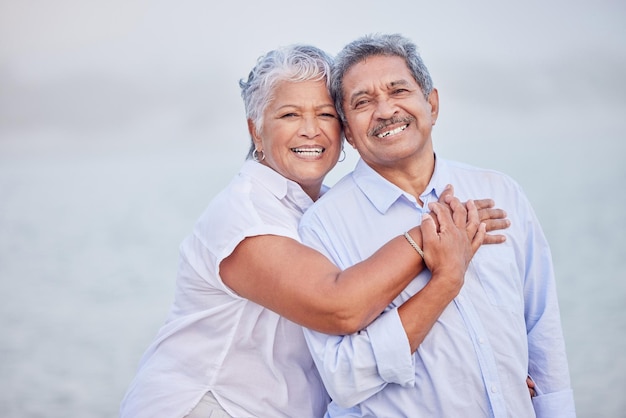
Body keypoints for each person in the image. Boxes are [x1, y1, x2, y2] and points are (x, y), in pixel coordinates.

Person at [119, 44, 507, 418]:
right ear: (256, 132)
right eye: (289, 115)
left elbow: (384, 321)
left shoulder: (328, 210)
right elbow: (340, 308)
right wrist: (436, 230)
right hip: (209, 406)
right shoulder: (245, 213)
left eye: (325, 115)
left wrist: (488, 375)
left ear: (345, 132)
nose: (310, 131)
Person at [299, 33, 576, 417]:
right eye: (363, 102)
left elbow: (542, 331)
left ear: (431, 104)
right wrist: (446, 278)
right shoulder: (321, 226)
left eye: (398, 90)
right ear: (347, 130)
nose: (385, 110)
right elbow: (343, 378)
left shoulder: (499, 193)